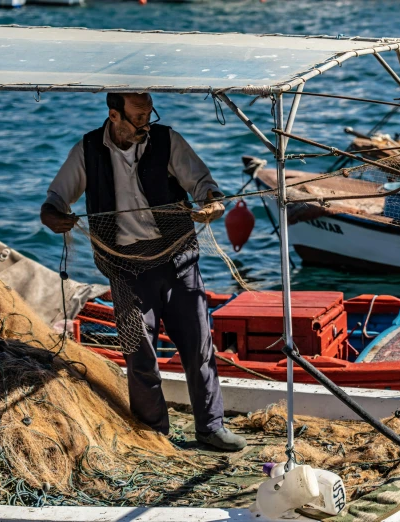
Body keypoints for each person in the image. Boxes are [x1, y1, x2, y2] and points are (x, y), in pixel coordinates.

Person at [40, 92, 246, 452]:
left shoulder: (167, 140)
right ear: (114, 115)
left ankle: (211, 428)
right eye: (137, 116)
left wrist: (212, 202)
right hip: (126, 269)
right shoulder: (87, 150)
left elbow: (204, 186)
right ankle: (154, 435)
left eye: (149, 114)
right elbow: (56, 198)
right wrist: (54, 215)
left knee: (199, 347)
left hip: (178, 261)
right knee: (139, 354)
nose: (145, 123)